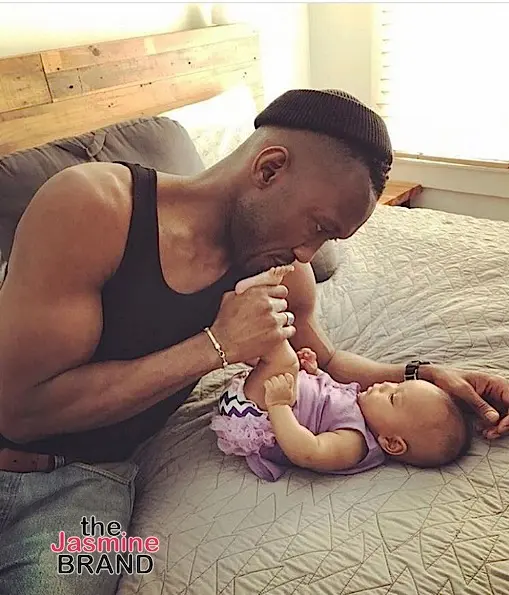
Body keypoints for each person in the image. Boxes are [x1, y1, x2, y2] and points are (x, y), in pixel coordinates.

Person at [0, 88, 507, 594]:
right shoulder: (96, 207)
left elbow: (327, 360)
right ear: (269, 168)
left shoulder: (284, 271)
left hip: (93, 482)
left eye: (328, 240)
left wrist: (425, 375)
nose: (309, 253)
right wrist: (215, 345)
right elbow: (19, 412)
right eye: (317, 226)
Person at [211, 266, 471, 481]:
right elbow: (327, 396)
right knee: (281, 358)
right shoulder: (361, 407)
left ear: (392, 443)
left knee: (282, 354)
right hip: (267, 393)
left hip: (256, 416)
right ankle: (248, 320)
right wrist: (313, 372)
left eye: (393, 397)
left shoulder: (354, 443)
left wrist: (278, 405)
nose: (386, 385)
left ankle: (251, 296)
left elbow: (307, 451)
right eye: (394, 385)